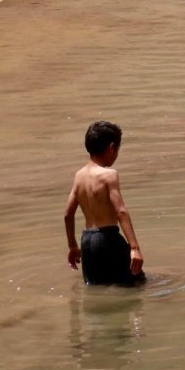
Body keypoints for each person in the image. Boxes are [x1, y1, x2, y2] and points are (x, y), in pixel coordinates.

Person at [63, 120, 145, 287]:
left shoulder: (79, 176)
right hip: (108, 238)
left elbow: (67, 214)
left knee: (97, 288)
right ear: (111, 147)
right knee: (136, 285)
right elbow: (120, 211)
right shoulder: (108, 175)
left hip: (87, 242)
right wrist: (134, 248)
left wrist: (73, 246)